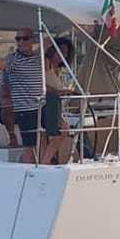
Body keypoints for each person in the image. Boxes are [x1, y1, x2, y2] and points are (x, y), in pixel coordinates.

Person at [0, 27, 43, 163]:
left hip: (42, 106)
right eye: (18, 39)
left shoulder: (39, 59)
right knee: (29, 145)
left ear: (32, 40)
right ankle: (27, 168)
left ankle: (44, 163)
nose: (21, 42)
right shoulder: (12, 59)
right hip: (25, 108)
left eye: (25, 38)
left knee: (54, 134)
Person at [40, 36, 75, 166]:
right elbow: (40, 84)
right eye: (60, 51)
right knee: (64, 128)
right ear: (53, 50)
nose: (63, 55)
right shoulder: (47, 63)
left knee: (45, 134)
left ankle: (45, 159)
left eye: (65, 53)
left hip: (53, 104)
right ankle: (46, 160)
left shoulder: (59, 69)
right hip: (43, 104)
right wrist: (59, 91)